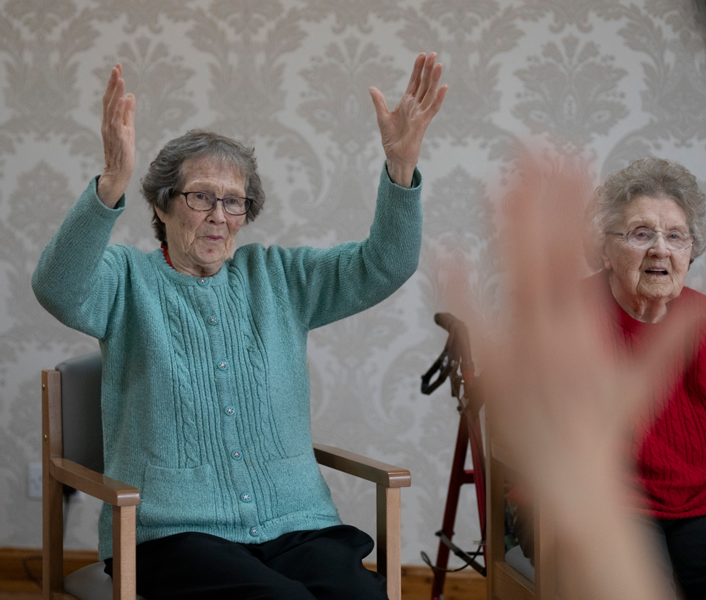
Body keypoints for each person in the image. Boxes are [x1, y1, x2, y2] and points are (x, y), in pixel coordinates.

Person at [32, 54, 446, 600]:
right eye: (202, 196)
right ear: (164, 202)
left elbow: (384, 264)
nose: (219, 216)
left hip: (296, 526)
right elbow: (57, 286)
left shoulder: (278, 277)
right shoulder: (125, 279)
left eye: (234, 202)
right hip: (171, 534)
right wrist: (110, 183)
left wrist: (400, 170)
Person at [469, 156, 706, 600]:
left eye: (676, 236)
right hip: (604, 504)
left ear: (690, 251)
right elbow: (530, 435)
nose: (661, 249)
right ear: (604, 249)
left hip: (705, 509)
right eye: (641, 234)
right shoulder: (567, 324)